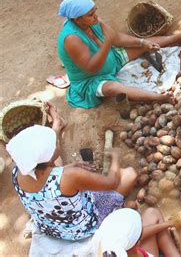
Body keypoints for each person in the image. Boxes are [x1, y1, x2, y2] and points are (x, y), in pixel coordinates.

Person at [6, 102, 137, 241]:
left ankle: (57, 126)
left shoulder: (19, 170)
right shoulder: (70, 177)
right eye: (55, 143)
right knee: (130, 174)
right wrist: (115, 159)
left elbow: (46, 167)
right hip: (83, 229)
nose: (58, 143)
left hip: (51, 228)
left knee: (59, 170)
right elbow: (112, 182)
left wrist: (56, 121)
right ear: (49, 155)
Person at [57, 0, 181, 108]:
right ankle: (159, 97)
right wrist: (107, 43)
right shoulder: (71, 39)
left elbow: (117, 38)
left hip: (112, 59)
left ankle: (179, 38)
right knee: (113, 88)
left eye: (95, 11)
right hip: (90, 81)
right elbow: (92, 68)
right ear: (77, 19)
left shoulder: (92, 20)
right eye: (90, 14)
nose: (96, 16)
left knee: (143, 45)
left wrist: (142, 42)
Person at [93, 207, 181, 257]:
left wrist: (168, 223)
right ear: (138, 242)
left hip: (139, 252)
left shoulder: (106, 246)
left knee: (151, 213)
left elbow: (140, 234)